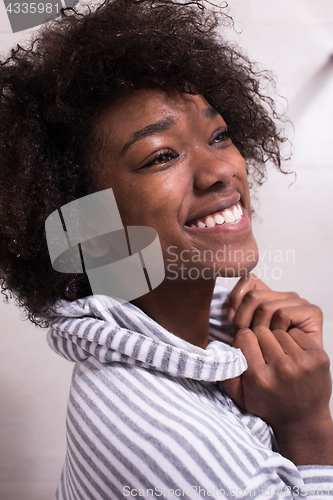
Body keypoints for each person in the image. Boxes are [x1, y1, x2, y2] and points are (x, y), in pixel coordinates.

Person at [0, 1, 332, 498]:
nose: (221, 169)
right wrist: (307, 425)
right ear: (89, 225)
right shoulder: (164, 441)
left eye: (218, 134)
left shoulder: (199, 330)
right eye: (162, 156)